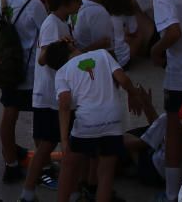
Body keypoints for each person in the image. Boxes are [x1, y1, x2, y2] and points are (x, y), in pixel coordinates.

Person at [51, 40, 144, 202]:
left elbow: (64, 103)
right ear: (72, 47)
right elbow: (123, 79)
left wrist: (64, 140)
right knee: (106, 172)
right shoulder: (102, 54)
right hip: (112, 119)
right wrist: (133, 94)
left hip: (87, 121)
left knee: (68, 165)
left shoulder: (62, 72)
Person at [22, 0, 83, 200]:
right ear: (67, 2)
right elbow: (43, 58)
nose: (80, 4)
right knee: (47, 146)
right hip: (50, 97)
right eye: (77, 0)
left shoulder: (62, 22)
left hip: (52, 95)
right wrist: (65, 48)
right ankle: (28, 192)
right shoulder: (52, 24)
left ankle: (73, 190)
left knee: (51, 145)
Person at [0, 0, 48, 183]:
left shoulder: (1, 1)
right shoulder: (34, 5)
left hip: (8, 70)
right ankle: (42, 168)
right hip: (32, 74)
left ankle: (11, 163)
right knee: (41, 122)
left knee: (9, 115)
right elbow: (46, 33)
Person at [152, 0, 182, 202]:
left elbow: (173, 32)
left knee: (174, 134)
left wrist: (156, 50)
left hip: (180, 76)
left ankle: (173, 194)